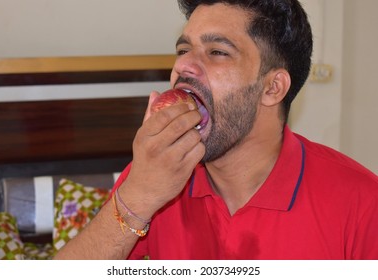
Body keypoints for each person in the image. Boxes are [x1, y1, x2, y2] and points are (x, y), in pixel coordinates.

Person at [54, 0, 378, 260]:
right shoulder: (154, 174)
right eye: (183, 50)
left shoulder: (364, 205)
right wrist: (138, 197)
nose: (183, 66)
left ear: (272, 88)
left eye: (218, 52)